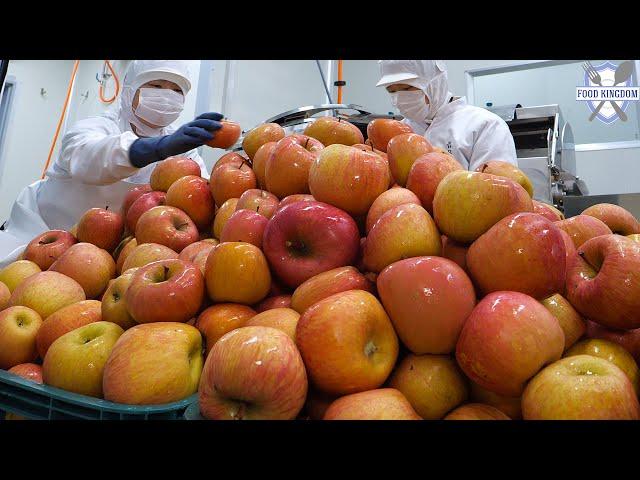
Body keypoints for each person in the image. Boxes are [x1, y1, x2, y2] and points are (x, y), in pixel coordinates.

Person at [0, 60, 224, 264]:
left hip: (107, 260)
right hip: (38, 235)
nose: (167, 95)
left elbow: (201, 195)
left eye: (177, 90)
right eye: (156, 86)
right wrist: (153, 149)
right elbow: (87, 155)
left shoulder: (184, 151)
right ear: (129, 91)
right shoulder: (96, 127)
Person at [376, 60, 518, 171]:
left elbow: (494, 194)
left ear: (436, 82)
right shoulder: (398, 132)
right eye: (392, 91)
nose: (399, 99)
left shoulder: (486, 126)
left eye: (407, 88)